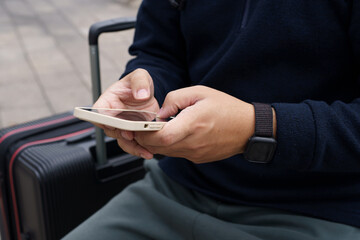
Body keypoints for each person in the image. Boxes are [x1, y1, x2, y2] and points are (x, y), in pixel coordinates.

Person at [63, 0, 360, 239]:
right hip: (172, 190)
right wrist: (145, 92)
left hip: (319, 210)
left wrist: (258, 129)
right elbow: (158, 51)